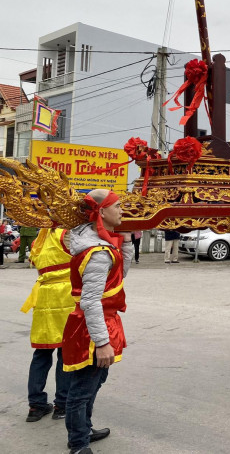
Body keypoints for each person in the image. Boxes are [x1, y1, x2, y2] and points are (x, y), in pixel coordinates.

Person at [62, 189, 133, 454]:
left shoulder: (102, 245)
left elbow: (117, 277)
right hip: (92, 328)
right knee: (82, 388)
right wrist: (102, 342)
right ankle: (78, 444)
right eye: (118, 206)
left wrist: (125, 243)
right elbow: (91, 301)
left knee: (95, 380)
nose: (122, 211)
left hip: (102, 322)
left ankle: (84, 429)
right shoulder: (97, 251)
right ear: (102, 212)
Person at [20, 228, 75, 422]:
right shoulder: (68, 234)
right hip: (65, 295)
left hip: (44, 296)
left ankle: (35, 406)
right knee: (64, 352)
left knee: (41, 353)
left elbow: (34, 262)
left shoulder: (40, 238)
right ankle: (62, 404)